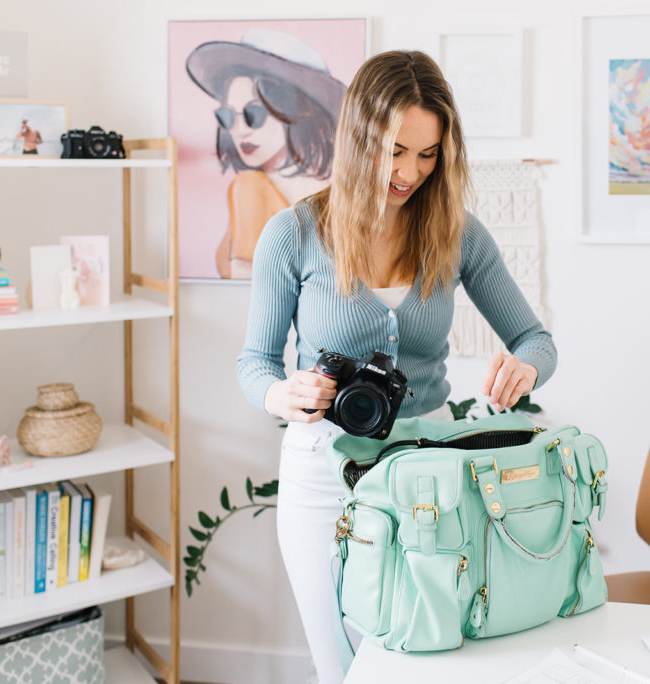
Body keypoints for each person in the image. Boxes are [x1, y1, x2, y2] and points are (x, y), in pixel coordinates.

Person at [236, 50, 557, 684]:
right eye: (395, 150)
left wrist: (526, 370)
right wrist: (284, 394)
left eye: (428, 154)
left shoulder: (457, 232)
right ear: (358, 138)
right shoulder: (292, 234)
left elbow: (535, 339)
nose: (410, 171)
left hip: (424, 475)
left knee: (418, 658)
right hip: (321, 472)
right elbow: (254, 363)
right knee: (340, 667)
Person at [186, 29, 347, 279]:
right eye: (227, 117)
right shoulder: (251, 187)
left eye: (254, 114)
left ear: (293, 110)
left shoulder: (250, 187)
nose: (239, 130)